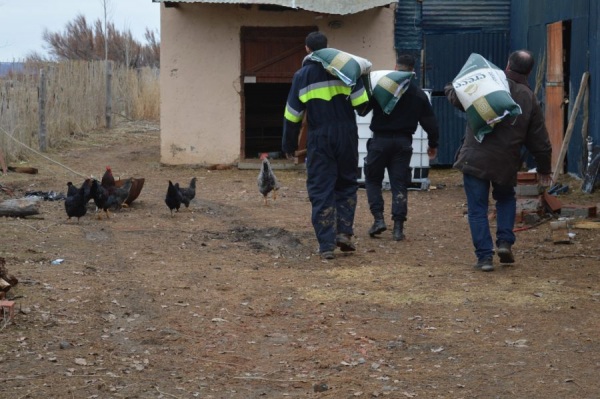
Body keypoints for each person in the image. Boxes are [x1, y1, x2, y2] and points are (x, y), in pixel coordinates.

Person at [445, 50, 552, 272]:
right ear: (529, 72)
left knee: (477, 209)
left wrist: (451, 87)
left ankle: (484, 258)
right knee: (505, 199)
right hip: (506, 162)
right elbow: (539, 139)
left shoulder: (487, 82)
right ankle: (504, 242)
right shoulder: (529, 98)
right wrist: (544, 168)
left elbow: (459, 98)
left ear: (507, 65)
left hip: (475, 158)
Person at [282, 32, 370, 260]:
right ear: (327, 48)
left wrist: (289, 145)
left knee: (322, 188)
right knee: (347, 183)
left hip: (320, 136)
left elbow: (292, 115)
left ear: (306, 49)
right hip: (347, 135)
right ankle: (344, 234)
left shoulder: (302, 75)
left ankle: (326, 245)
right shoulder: (347, 72)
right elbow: (362, 106)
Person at [365, 54, 439, 241]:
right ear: (413, 71)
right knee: (399, 184)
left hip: (379, 142)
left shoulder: (382, 89)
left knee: (373, 180)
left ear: (396, 68)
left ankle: (378, 220)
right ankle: (398, 228)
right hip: (403, 143)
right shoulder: (418, 94)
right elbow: (431, 123)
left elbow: (362, 109)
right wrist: (432, 144)